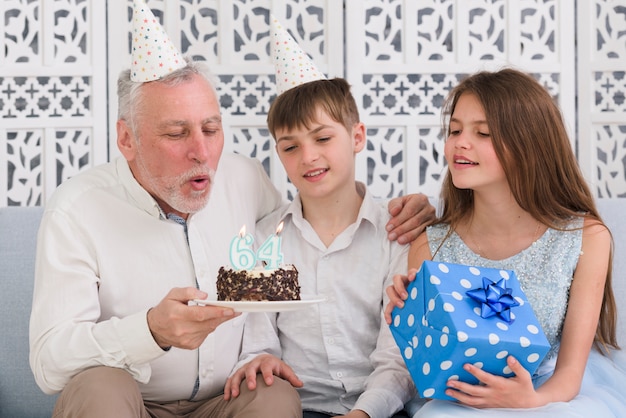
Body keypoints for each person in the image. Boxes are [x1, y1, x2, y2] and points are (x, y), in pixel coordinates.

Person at [29, 8, 434, 417]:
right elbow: (49, 365)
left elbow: (309, 226)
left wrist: (415, 213)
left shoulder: (243, 177)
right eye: (176, 133)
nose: (203, 153)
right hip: (132, 401)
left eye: (211, 128)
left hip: (225, 403)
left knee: (273, 394)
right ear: (126, 139)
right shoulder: (76, 210)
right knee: (100, 382)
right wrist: (149, 331)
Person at [384, 68, 626, 417]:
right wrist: (407, 320)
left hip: (551, 392)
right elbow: (431, 364)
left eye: (483, 132)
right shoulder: (430, 244)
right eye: (454, 130)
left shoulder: (585, 237)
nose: (460, 143)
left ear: (529, 144)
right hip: (462, 399)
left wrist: (530, 401)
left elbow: (570, 375)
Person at [223, 76, 417, 418]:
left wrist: (364, 412)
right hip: (295, 407)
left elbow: (399, 357)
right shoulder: (262, 240)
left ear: (357, 136)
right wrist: (260, 360)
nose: (308, 157)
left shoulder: (397, 232)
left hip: (382, 407)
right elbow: (257, 344)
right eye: (290, 147)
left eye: (323, 138)